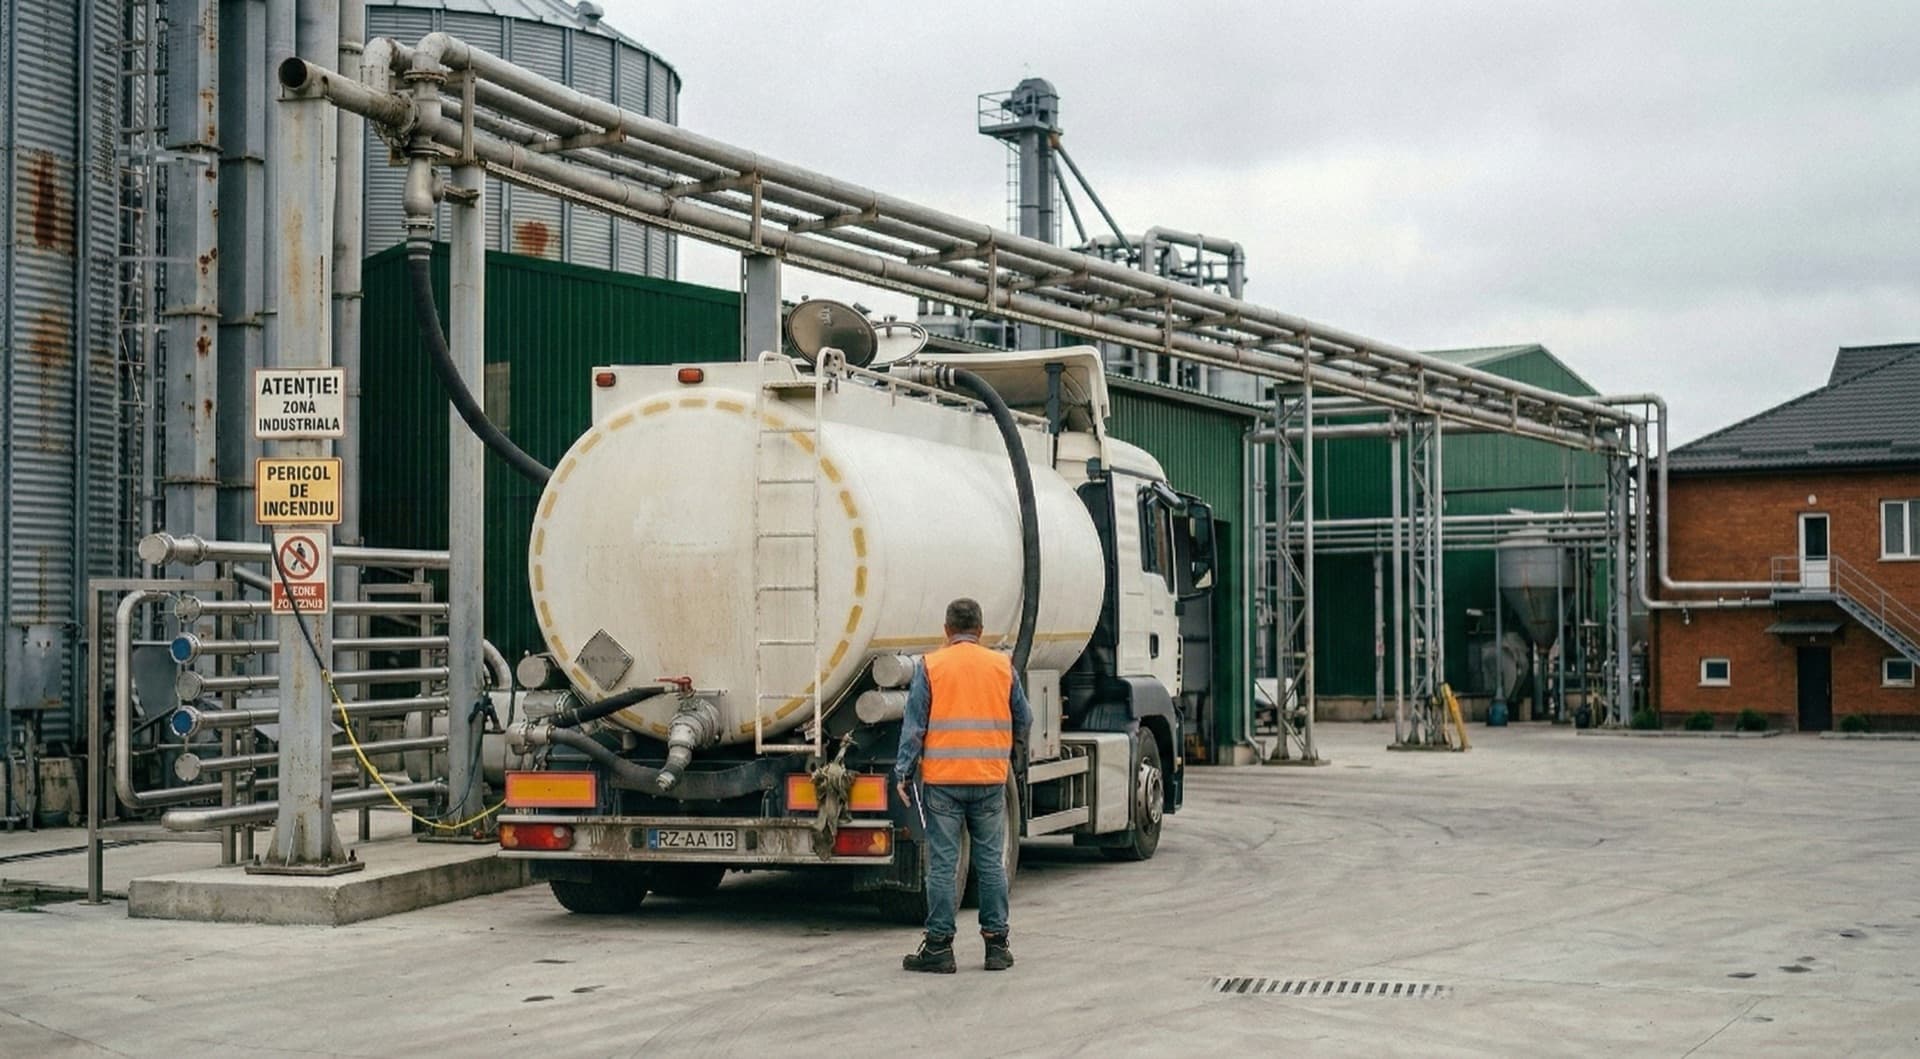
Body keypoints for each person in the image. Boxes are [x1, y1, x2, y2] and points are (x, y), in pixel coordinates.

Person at [894, 597, 1032, 974]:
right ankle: (997, 947)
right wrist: (1013, 755)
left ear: (946, 630)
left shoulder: (932, 665)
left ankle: (939, 948)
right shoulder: (1002, 666)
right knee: (990, 865)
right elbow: (1025, 717)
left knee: (943, 865)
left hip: (943, 782)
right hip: (989, 780)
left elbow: (914, 724)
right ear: (981, 631)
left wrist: (903, 772)